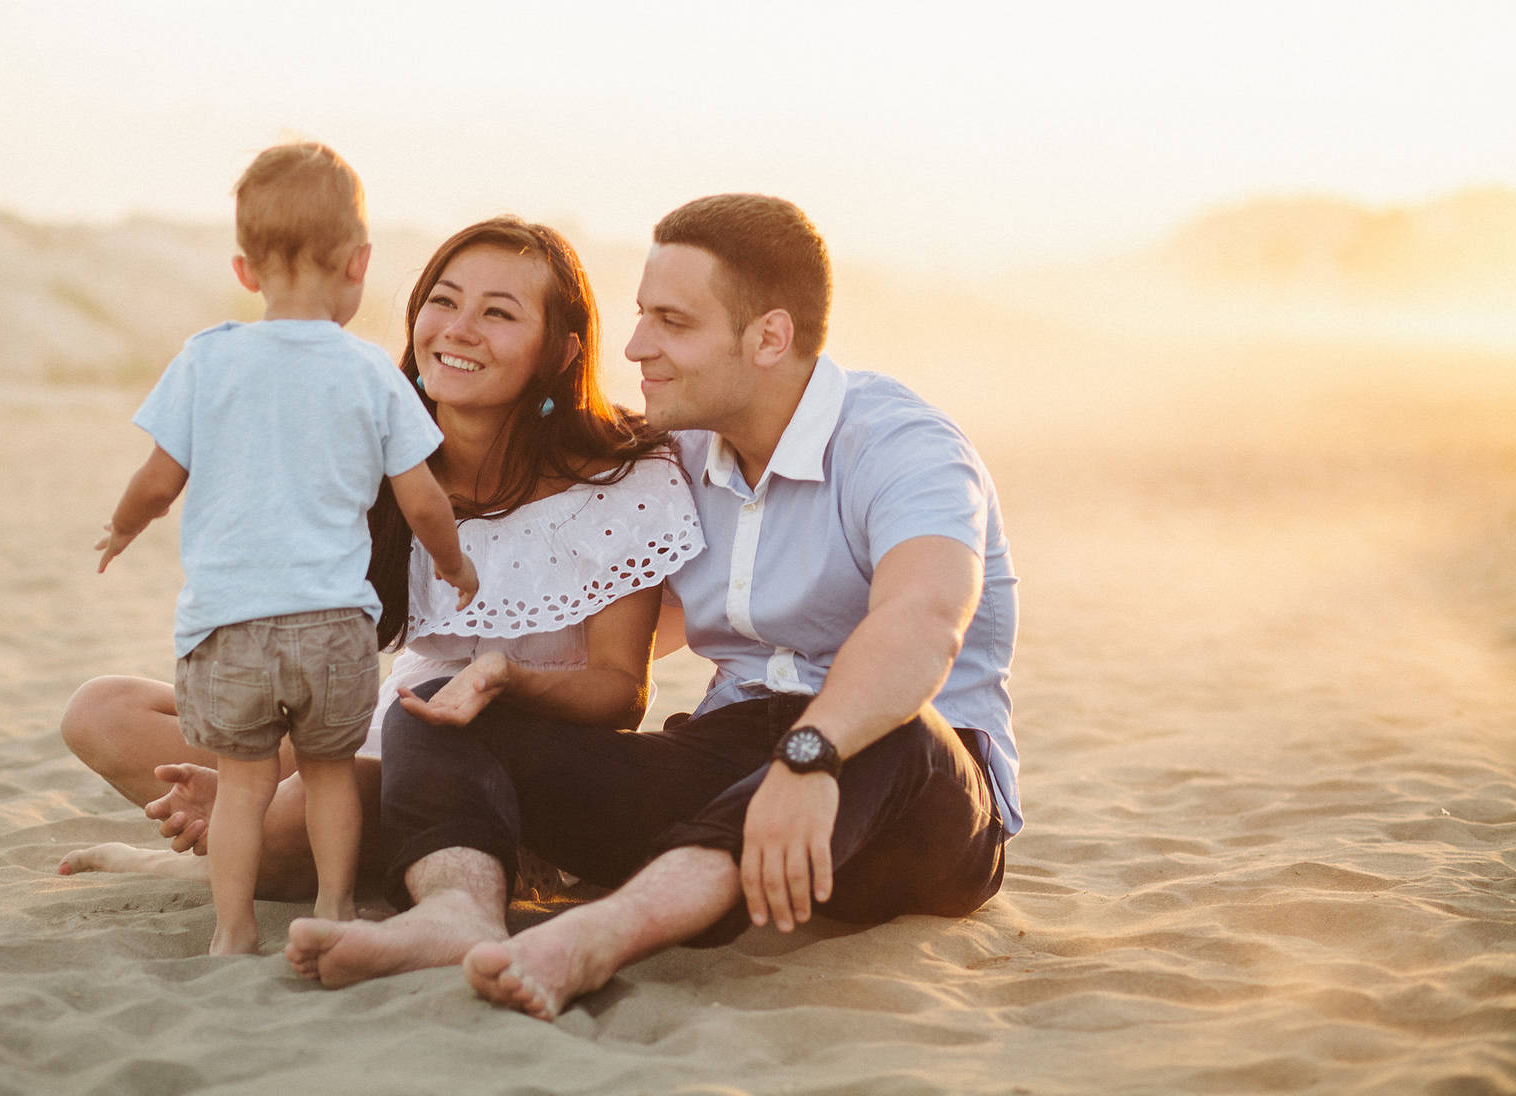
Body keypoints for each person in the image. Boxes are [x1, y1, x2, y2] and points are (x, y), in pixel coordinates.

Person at [298, 193, 1018, 1019]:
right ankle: (456, 911)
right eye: (641, 316)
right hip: (730, 761)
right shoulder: (675, 454)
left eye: (672, 323)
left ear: (769, 337)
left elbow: (922, 620)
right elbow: (581, 565)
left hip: (911, 794)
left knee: (894, 725)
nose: (636, 347)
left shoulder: (903, 447)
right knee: (442, 708)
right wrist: (508, 678)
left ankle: (600, 934)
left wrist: (812, 753)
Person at [58, 216, 705, 944]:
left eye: (498, 313)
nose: (459, 329)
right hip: (373, 725)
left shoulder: (621, 480)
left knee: (289, 822)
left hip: (496, 761)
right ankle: (255, 823)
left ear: (561, 352)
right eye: (443, 300)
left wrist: (508, 682)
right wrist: (254, 759)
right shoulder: (375, 461)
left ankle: (231, 851)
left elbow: (621, 693)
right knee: (101, 710)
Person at [93, 141, 478, 954]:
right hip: (334, 624)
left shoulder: (207, 358)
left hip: (230, 624)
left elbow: (159, 481)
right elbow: (422, 499)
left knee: (242, 787)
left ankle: (232, 933)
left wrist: (124, 527)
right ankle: (335, 908)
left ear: (245, 270)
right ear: (359, 263)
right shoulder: (371, 373)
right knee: (328, 772)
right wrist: (451, 562)